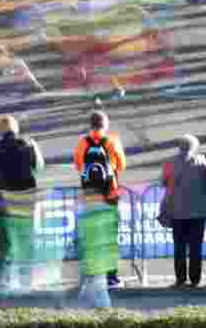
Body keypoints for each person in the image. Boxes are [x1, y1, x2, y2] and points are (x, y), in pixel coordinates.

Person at [0, 115, 45, 297]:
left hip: (4, 198)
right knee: (25, 240)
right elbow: (39, 166)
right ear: (16, 128)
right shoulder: (30, 144)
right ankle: (25, 283)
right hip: (26, 197)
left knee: (6, 242)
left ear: (0, 130)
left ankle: (4, 283)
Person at [73, 110, 126, 289]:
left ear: (90, 124)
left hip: (90, 196)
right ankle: (112, 278)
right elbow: (122, 165)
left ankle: (92, 277)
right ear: (105, 124)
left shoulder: (82, 143)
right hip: (109, 195)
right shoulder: (111, 142)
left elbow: (78, 165)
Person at [162, 134, 206, 288]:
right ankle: (195, 279)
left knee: (179, 246)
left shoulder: (169, 163)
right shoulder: (202, 162)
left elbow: (163, 182)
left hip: (177, 211)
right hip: (198, 212)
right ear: (194, 147)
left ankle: (180, 279)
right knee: (196, 247)